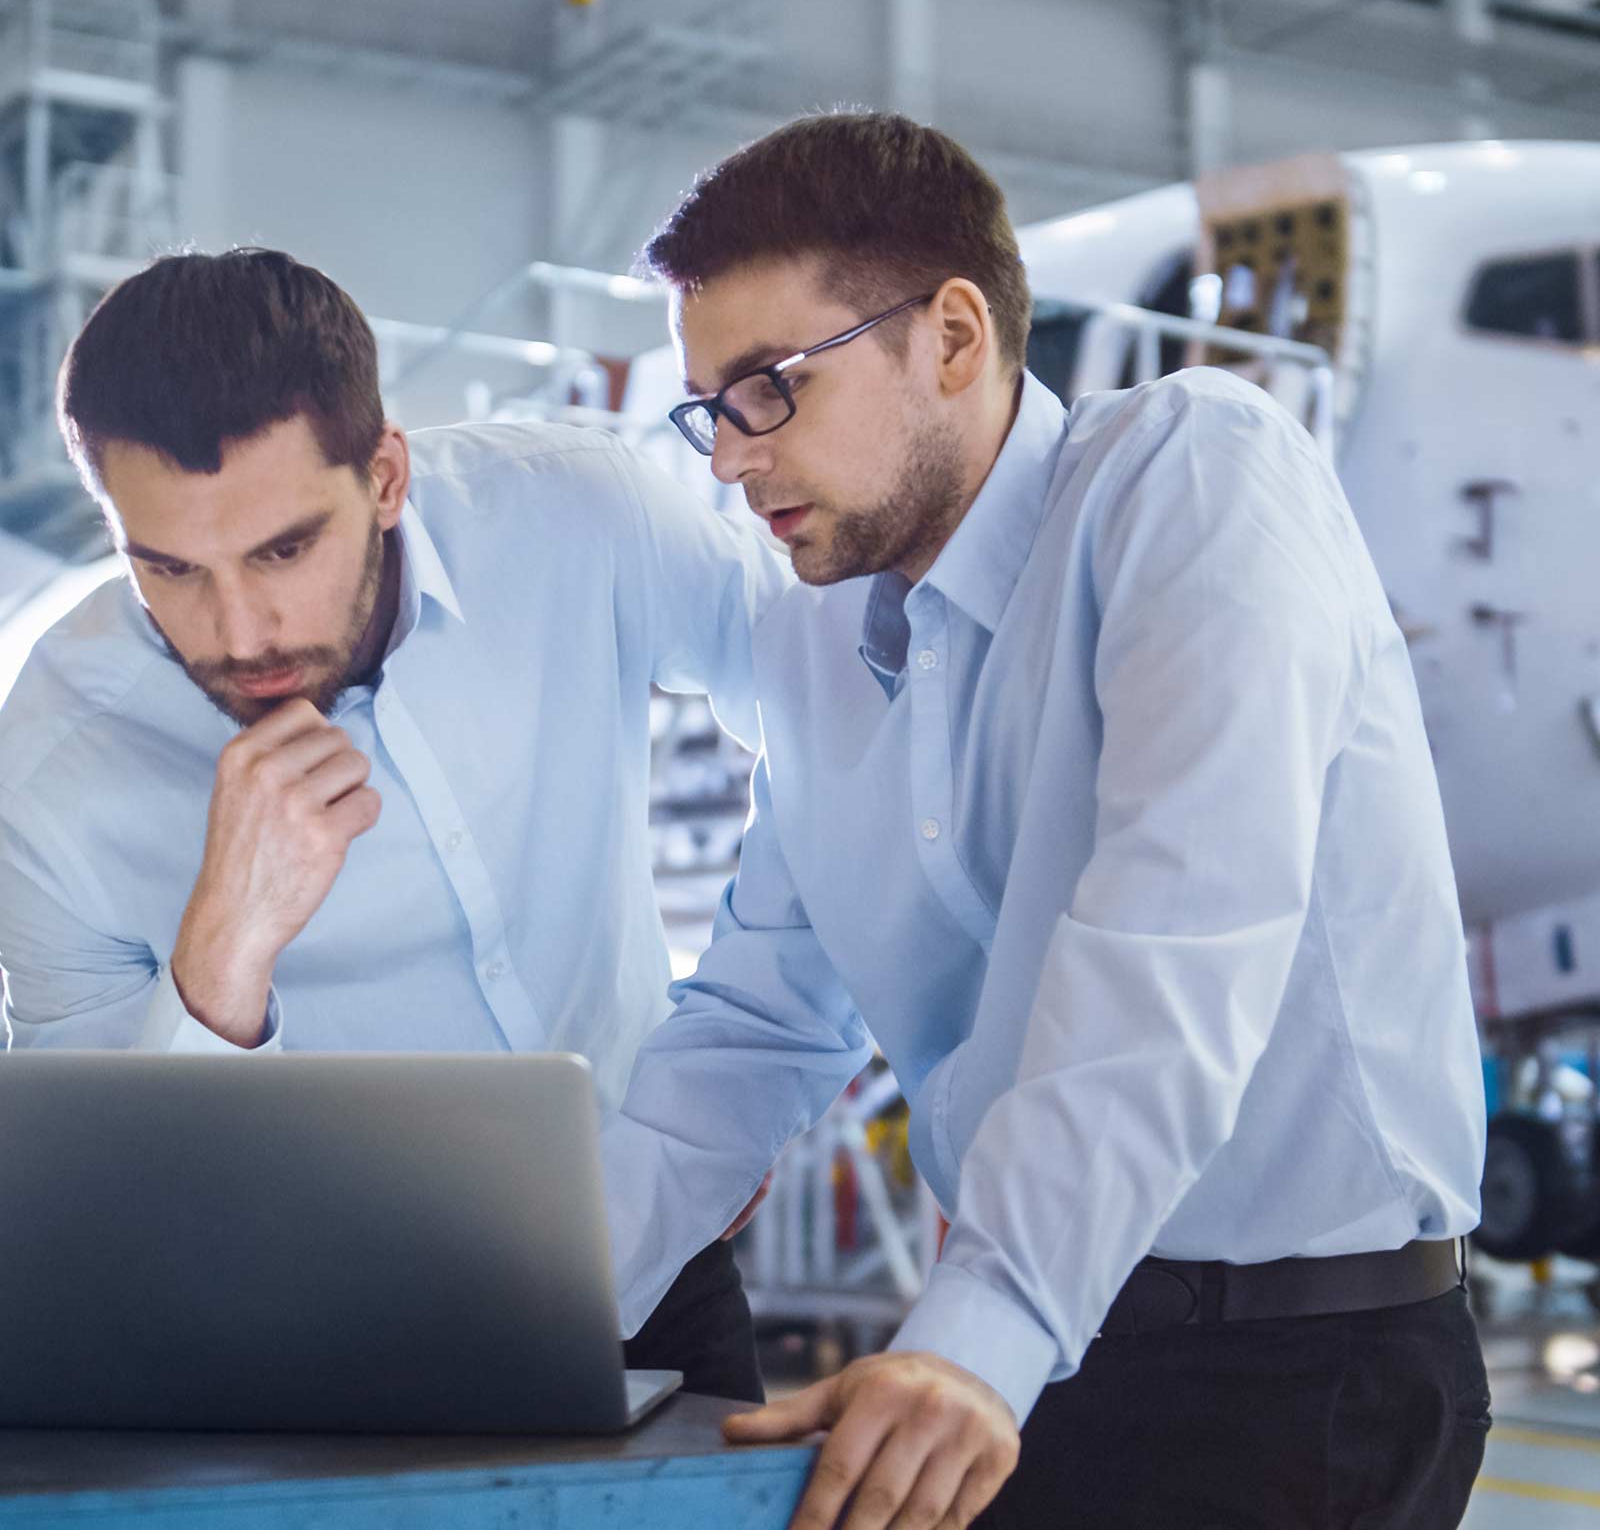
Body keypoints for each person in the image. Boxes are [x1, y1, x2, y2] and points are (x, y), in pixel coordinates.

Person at [600, 112, 1489, 1528]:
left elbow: (1176, 933)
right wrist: (547, 1300)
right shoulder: (811, 644)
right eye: (709, 406)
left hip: (1293, 1369)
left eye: (768, 389)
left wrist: (982, 1329)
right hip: (1022, 1347)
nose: (728, 458)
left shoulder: (1194, 475)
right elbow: (759, 1021)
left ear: (952, 337)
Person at [0, 247, 790, 1402]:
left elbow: (842, 718)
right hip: (288, 1333)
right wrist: (221, 953)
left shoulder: (574, 512)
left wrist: (732, 1079)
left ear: (382, 476)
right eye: (167, 568)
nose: (238, 631)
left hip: (657, 1267)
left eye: (283, 548)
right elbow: (94, 1230)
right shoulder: (54, 777)